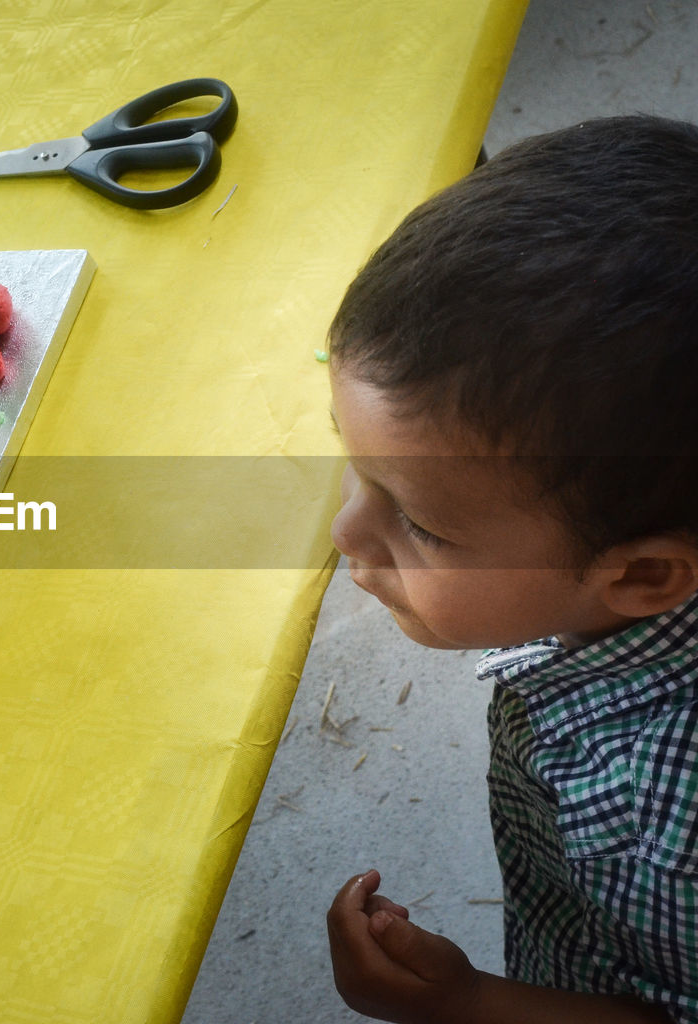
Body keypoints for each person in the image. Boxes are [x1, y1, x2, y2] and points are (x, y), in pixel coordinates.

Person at [323, 115, 698, 1024]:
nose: (347, 533)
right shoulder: (640, 540)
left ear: (646, 579)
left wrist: (470, 1002)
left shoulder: (666, 816)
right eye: (355, 464)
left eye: (417, 522)